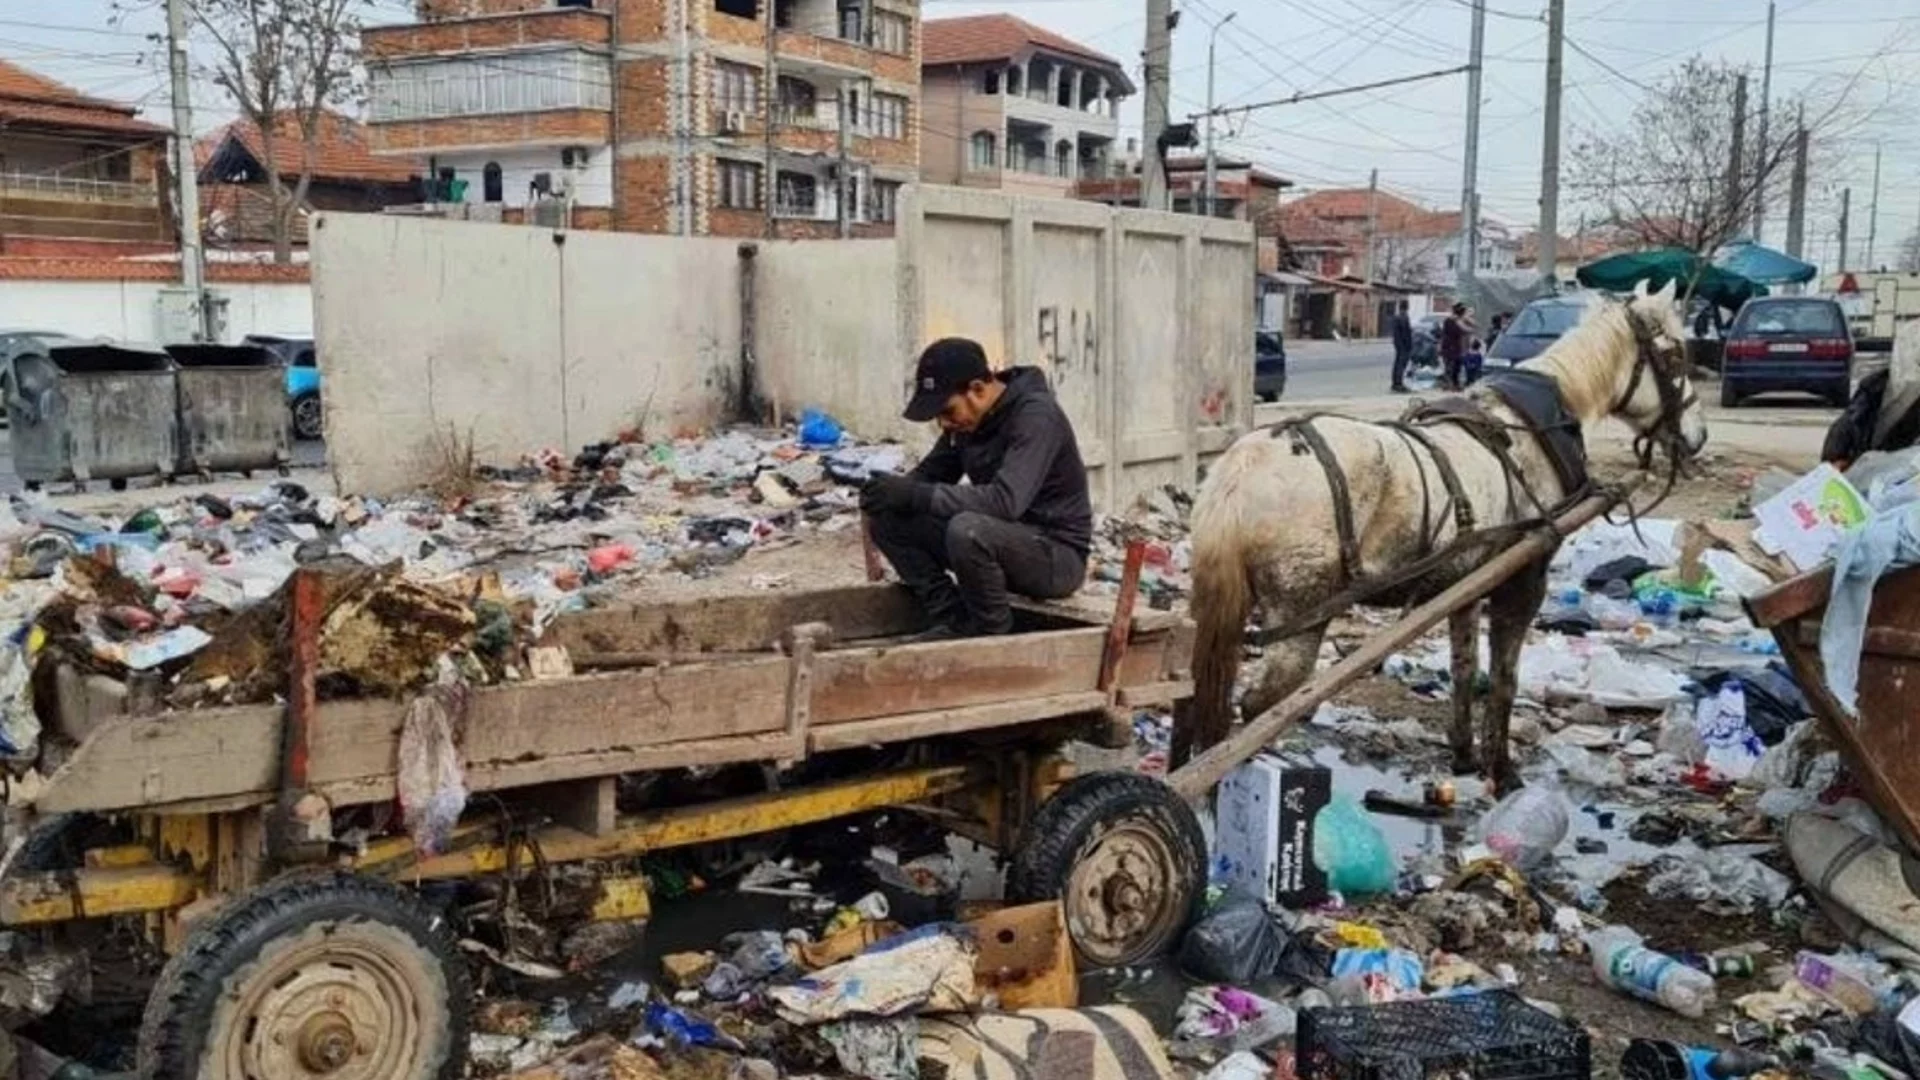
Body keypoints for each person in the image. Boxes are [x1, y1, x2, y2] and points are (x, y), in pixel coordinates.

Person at [861, 338, 1092, 639]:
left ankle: (990, 634)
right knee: (889, 519)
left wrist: (916, 495)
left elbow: (1005, 501)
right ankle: (954, 621)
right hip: (996, 542)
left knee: (967, 529)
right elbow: (931, 475)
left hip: (1056, 557)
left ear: (978, 390)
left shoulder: (1037, 417)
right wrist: (889, 491)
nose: (944, 424)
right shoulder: (968, 423)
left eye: (948, 411)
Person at [1439, 302, 1475, 389]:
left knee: (1455, 367)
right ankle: (1450, 384)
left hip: (1454, 347)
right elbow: (1465, 331)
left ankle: (1453, 384)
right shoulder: (1452, 321)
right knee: (1451, 367)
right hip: (1450, 347)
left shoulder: (1454, 320)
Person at [1389, 301, 1413, 393]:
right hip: (1403, 345)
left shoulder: (1397, 317)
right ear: (1407, 307)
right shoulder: (1404, 317)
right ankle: (1399, 384)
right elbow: (1406, 333)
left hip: (1398, 344)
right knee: (1401, 365)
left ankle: (1395, 383)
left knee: (1397, 364)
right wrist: (1409, 345)